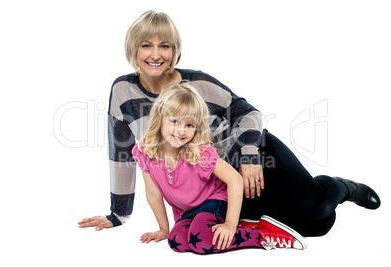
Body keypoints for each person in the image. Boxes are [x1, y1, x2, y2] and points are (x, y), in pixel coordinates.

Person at [78, 10, 381, 238]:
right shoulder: (122, 91)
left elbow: (249, 113)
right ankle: (322, 206)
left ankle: (343, 187)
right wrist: (118, 214)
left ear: (175, 50)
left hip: (253, 154)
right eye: (146, 46)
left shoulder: (197, 82)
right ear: (134, 49)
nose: (156, 55)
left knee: (315, 206)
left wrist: (249, 155)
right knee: (317, 227)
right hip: (216, 185)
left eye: (165, 46)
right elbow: (121, 152)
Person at [132, 82, 307, 253]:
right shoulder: (145, 151)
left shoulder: (200, 153)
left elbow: (235, 179)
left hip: (213, 201)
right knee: (176, 241)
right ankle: (242, 227)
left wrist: (230, 224)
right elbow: (153, 194)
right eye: (175, 121)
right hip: (188, 210)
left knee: (201, 239)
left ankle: (262, 234)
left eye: (189, 125)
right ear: (160, 117)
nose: (181, 131)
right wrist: (163, 228)